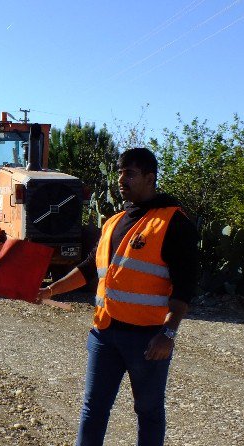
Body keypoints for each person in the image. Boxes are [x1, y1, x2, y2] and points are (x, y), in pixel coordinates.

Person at [37, 148, 198, 446]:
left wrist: (169, 333)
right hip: (105, 333)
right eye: (120, 172)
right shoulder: (113, 222)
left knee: (148, 412)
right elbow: (89, 269)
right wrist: (49, 290)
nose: (121, 180)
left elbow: (185, 285)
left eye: (130, 174)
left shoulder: (173, 223)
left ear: (150, 178)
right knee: (93, 409)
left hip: (147, 340)